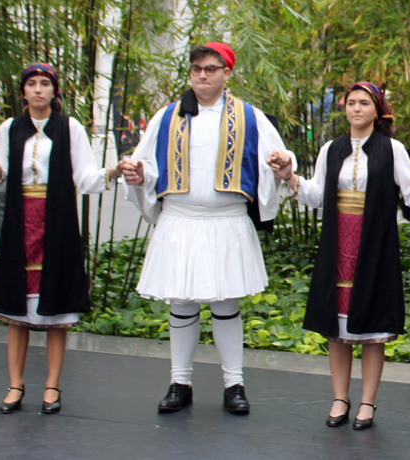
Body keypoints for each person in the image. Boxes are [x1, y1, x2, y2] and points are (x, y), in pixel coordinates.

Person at [121, 43, 295, 415]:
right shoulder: (167, 116)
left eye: (211, 69)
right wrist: (138, 175)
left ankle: (234, 385)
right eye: (197, 69)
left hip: (226, 222)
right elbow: (147, 165)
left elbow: (277, 161)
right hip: (181, 220)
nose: (203, 75)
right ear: (191, 72)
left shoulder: (250, 117)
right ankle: (179, 382)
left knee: (225, 302)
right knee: (181, 303)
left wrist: (282, 163)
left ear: (226, 72)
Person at [272, 81, 410, 430]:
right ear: (344, 108)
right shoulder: (330, 149)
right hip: (337, 243)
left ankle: (367, 402)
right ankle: (339, 398)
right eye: (351, 103)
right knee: (338, 326)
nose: (357, 109)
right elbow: (316, 195)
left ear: (378, 110)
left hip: (374, 243)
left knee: (371, 328)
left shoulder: (392, 149)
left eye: (364, 103)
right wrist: (288, 176)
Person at [0, 63, 120, 414]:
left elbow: (84, 177)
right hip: (20, 222)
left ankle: (52, 386)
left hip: (57, 221)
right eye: (31, 84)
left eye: (45, 84)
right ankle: (15, 385)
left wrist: (112, 172)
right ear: (23, 91)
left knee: (56, 309)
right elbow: (6, 179)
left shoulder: (70, 128)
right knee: (16, 306)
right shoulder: (9, 128)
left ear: (55, 91)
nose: (38, 89)